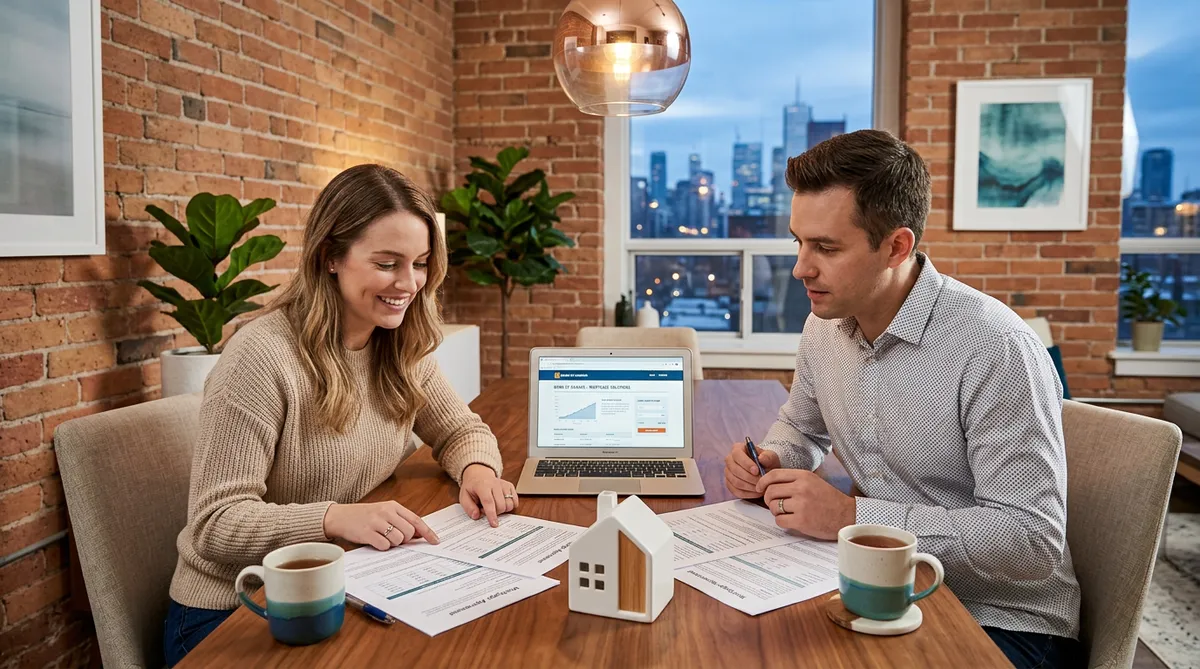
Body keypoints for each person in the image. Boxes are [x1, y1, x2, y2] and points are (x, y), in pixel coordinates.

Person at [723, 130, 1082, 669]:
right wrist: (773, 460)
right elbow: (801, 428)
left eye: (826, 247)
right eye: (799, 241)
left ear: (897, 246)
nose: (801, 268)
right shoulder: (825, 327)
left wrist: (851, 515)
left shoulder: (995, 347)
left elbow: (1031, 539)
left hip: (1002, 621)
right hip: (872, 588)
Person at [163, 165, 515, 666]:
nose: (409, 283)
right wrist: (333, 519)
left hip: (344, 580)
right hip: (235, 612)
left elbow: (460, 428)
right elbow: (215, 525)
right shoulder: (261, 357)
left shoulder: (398, 342)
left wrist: (477, 468)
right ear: (330, 257)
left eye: (419, 263)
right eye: (387, 263)